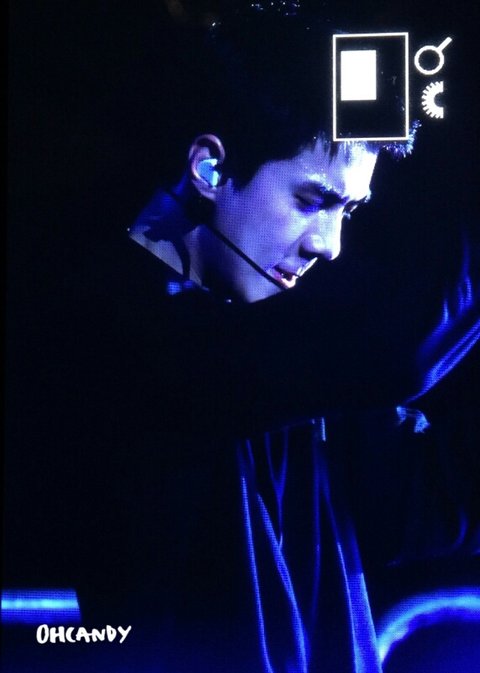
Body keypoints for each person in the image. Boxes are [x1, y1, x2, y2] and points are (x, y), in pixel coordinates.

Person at [3, 4, 479, 673]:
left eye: (348, 210)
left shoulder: (274, 353)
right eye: (313, 200)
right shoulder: (102, 331)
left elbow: (428, 504)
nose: (330, 245)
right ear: (208, 170)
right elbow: (397, 349)